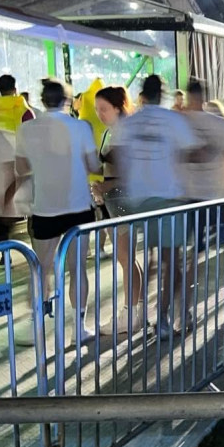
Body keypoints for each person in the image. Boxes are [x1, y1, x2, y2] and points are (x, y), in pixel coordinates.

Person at [106, 74, 201, 338]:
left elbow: (118, 158)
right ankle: (162, 317)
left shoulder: (129, 123)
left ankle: (143, 314)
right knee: (170, 263)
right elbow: (190, 153)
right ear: (163, 95)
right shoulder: (173, 120)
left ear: (142, 95)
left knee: (149, 260)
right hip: (168, 199)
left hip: (138, 200)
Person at [15, 78, 100, 341]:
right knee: (77, 269)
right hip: (78, 206)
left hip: (45, 207)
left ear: (42, 100)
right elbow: (94, 166)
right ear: (67, 100)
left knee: (41, 269)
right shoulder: (80, 127)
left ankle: (37, 327)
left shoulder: (26, 129)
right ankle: (78, 329)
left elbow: (21, 168)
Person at [91, 86, 145, 336]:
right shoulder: (111, 132)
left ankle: (129, 313)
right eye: (96, 109)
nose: (99, 114)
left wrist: (106, 186)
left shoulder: (125, 132)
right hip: (113, 200)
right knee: (127, 258)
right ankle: (134, 311)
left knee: (125, 258)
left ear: (118, 107)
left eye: (104, 109)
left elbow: (131, 173)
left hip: (123, 198)